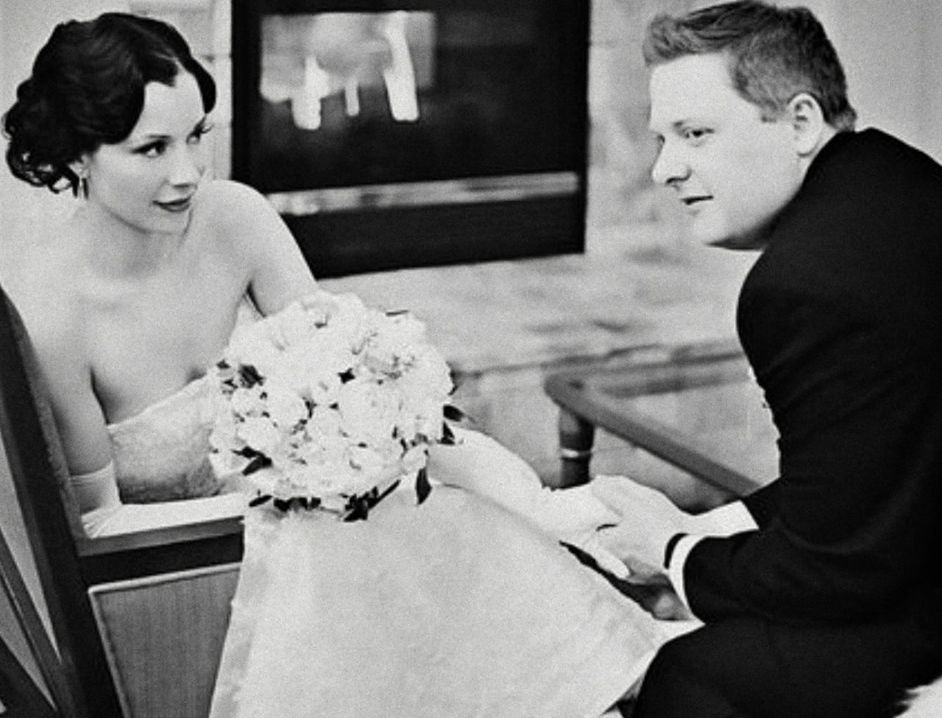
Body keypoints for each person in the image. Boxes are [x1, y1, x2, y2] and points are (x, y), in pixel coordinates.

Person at [2, 12, 678, 717]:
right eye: (152, 149)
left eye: (198, 134)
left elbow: (348, 378)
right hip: (195, 583)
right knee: (389, 544)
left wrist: (517, 497)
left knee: (440, 512)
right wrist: (290, 506)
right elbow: (98, 527)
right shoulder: (52, 314)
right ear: (79, 153)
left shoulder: (236, 218)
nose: (188, 173)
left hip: (312, 526)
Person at [593, 2, 942, 717]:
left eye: (696, 135)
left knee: (686, 673)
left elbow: (837, 572)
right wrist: (713, 529)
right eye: (663, 139)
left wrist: (672, 552)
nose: (664, 169)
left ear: (802, 122)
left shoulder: (803, 284)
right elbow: (873, 465)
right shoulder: (898, 179)